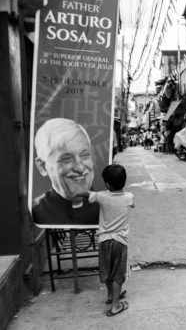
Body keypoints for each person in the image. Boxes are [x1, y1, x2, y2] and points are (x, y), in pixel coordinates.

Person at [80, 164, 134, 317]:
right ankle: (116, 306)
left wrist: (74, 191)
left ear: (107, 184)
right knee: (118, 274)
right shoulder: (129, 197)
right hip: (120, 242)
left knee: (108, 270)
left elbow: (86, 194)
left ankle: (110, 296)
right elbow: (132, 204)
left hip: (104, 241)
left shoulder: (102, 196)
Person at [31, 118, 99, 226]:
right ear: (42, 166)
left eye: (85, 155)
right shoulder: (34, 212)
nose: (80, 168)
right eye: (66, 159)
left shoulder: (104, 205)